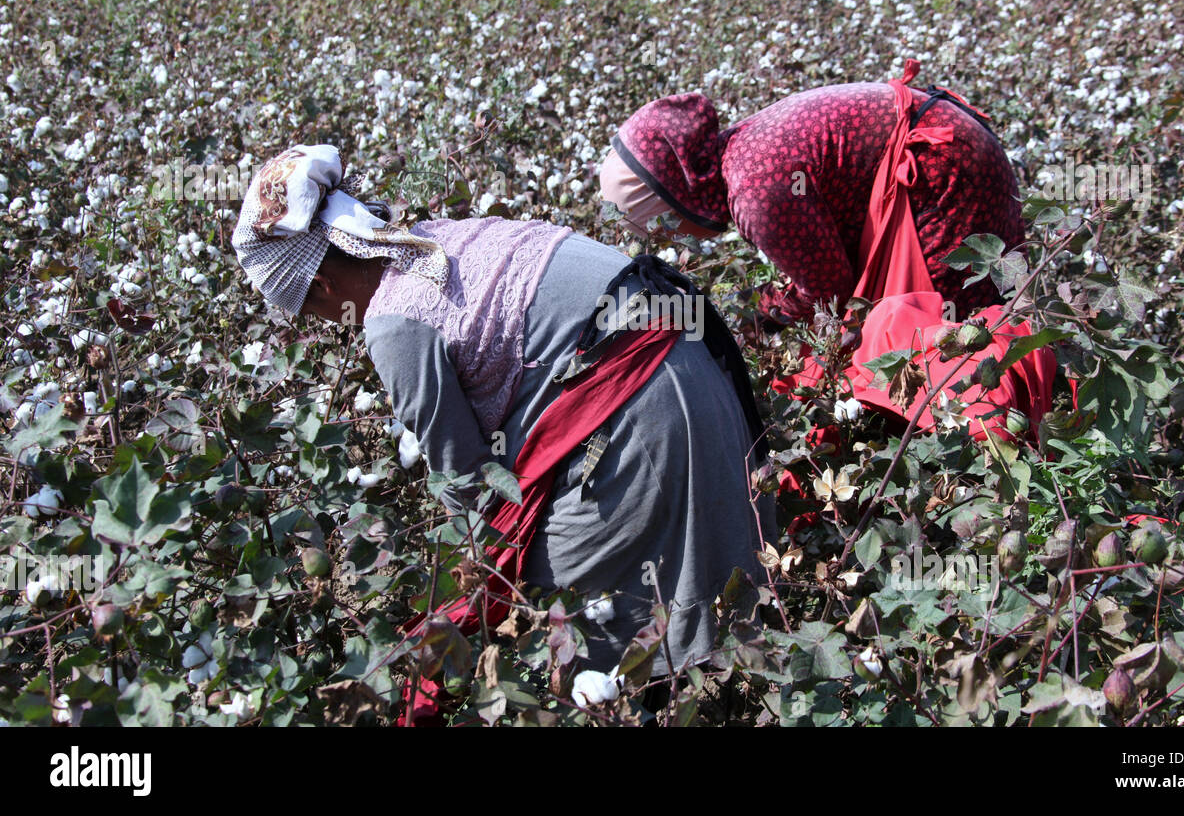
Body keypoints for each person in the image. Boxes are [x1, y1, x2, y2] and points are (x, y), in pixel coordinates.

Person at [232, 144, 774, 724]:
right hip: (696, 365)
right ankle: (714, 690)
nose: (330, 327)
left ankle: (651, 703)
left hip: (646, 411)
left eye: (312, 313)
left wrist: (471, 584)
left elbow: (464, 481)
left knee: (555, 593)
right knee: (686, 585)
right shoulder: (442, 236)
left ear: (317, 290)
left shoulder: (392, 321)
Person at [601, 59, 1055, 441]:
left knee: (948, 336)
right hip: (951, 140)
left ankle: (1005, 447)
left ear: (676, 197)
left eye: (664, 228)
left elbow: (833, 291)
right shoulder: (741, 150)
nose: (675, 242)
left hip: (944, 173)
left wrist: (766, 317)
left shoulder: (754, 191)